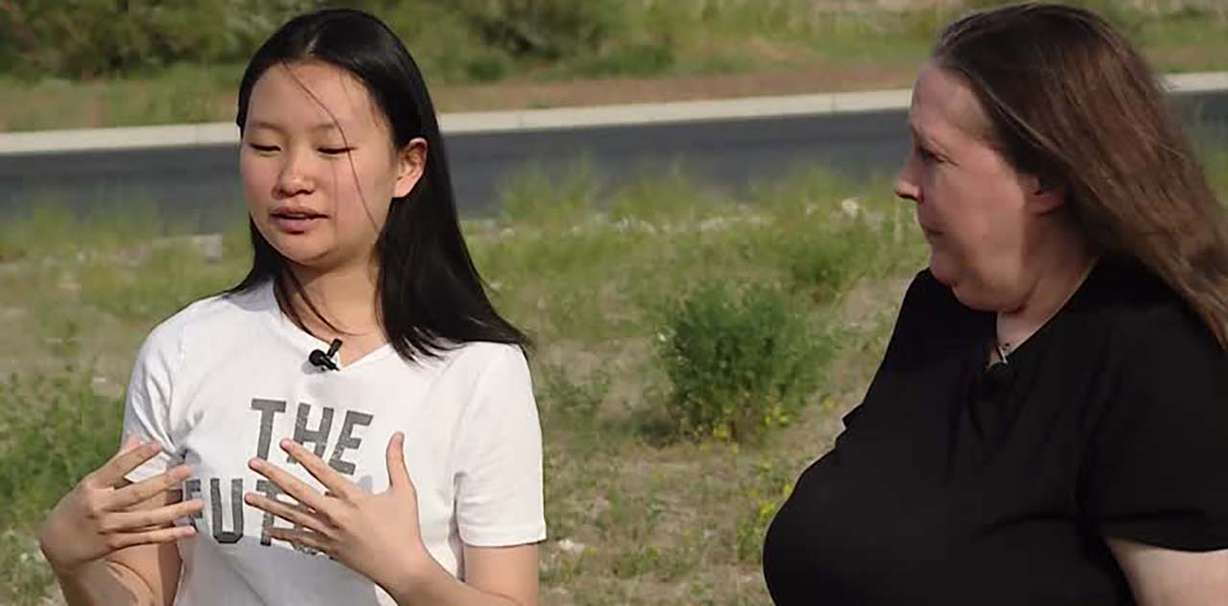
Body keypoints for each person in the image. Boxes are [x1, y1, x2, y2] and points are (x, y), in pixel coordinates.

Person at [37, 8, 545, 605]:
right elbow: (144, 592)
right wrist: (73, 564)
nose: (293, 176)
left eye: (331, 149)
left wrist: (406, 573)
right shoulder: (183, 349)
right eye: (265, 145)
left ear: (408, 165)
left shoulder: (478, 369)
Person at [762, 3, 1228, 604]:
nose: (903, 181)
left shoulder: (1156, 359)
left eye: (932, 156)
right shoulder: (943, 310)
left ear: (1044, 180)